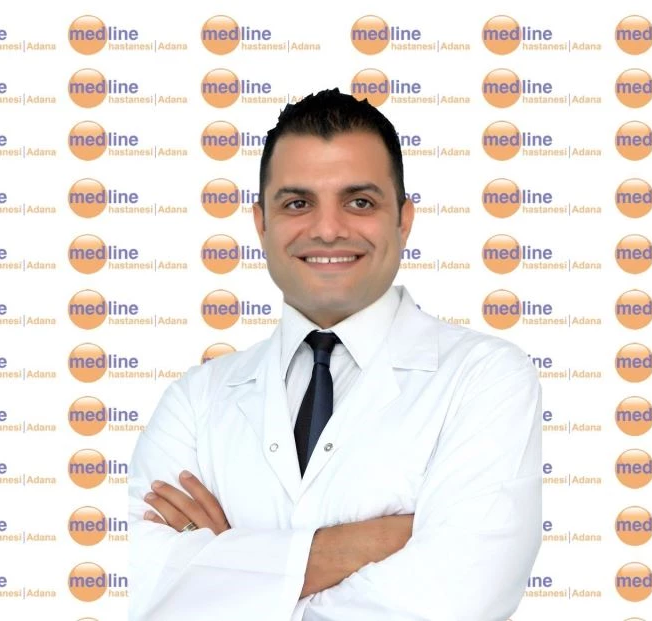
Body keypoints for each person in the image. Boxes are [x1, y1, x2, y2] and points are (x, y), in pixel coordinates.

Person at [128, 88, 542, 621]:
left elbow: (454, 599)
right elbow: (142, 589)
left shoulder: (485, 378)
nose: (327, 229)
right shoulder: (195, 400)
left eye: (360, 202)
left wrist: (224, 567)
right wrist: (356, 547)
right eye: (297, 203)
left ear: (404, 220)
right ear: (261, 224)